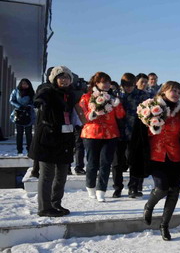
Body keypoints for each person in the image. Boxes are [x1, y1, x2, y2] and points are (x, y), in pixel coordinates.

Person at [129, 81, 180, 241]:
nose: (176, 93)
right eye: (173, 90)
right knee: (162, 187)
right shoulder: (151, 106)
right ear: (164, 91)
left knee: (174, 192)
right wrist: (150, 126)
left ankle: (164, 225)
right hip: (156, 155)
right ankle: (149, 206)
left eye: (179, 91)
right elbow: (142, 131)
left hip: (176, 155)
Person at [28, 66, 77, 217]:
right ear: (54, 79)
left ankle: (56, 203)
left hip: (64, 138)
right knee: (47, 174)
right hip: (47, 138)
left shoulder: (71, 94)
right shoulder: (48, 90)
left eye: (67, 77)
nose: (64, 80)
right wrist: (39, 102)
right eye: (61, 77)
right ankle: (44, 207)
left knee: (62, 174)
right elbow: (40, 96)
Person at [79, 72, 126, 202]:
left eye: (107, 82)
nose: (106, 84)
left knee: (105, 163)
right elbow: (83, 115)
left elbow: (121, 115)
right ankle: (90, 187)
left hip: (110, 134)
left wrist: (117, 105)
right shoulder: (87, 97)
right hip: (91, 133)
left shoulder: (112, 97)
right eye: (102, 82)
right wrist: (92, 114)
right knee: (92, 163)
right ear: (96, 83)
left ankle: (102, 190)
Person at [112, 73, 151, 198]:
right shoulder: (117, 95)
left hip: (135, 133)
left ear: (134, 84)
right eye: (125, 85)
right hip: (118, 133)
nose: (128, 88)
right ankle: (117, 187)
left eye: (130, 85)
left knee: (134, 161)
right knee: (117, 163)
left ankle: (133, 187)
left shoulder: (142, 95)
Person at [10, 78, 36, 155]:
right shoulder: (16, 91)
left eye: (26, 84)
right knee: (19, 133)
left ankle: (30, 150)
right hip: (19, 114)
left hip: (29, 114)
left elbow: (34, 102)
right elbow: (11, 100)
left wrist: (29, 106)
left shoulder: (31, 92)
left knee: (29, 133)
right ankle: (19, 150)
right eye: (23, 84)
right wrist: (19, 106)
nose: (24, 85)